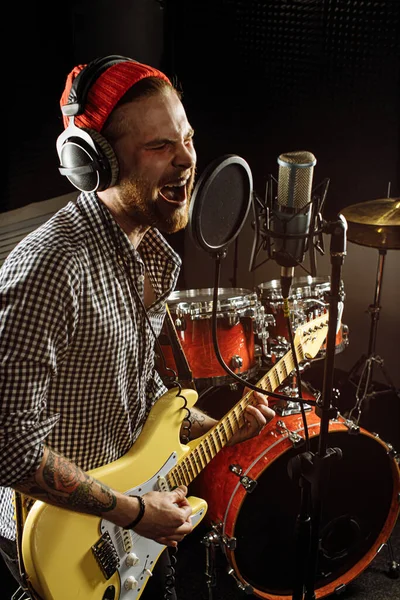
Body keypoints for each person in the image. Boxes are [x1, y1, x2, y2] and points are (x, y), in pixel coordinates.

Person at [0, 55, 275, 599]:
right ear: (96, 163)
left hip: (124, 524)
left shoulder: (149, 256)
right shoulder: (50, 268)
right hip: (55, 542)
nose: (186, 162)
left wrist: (214, 426)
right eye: (158, 147)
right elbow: (9, 444)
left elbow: (138, 392)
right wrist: (133, 512)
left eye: (187, 138)